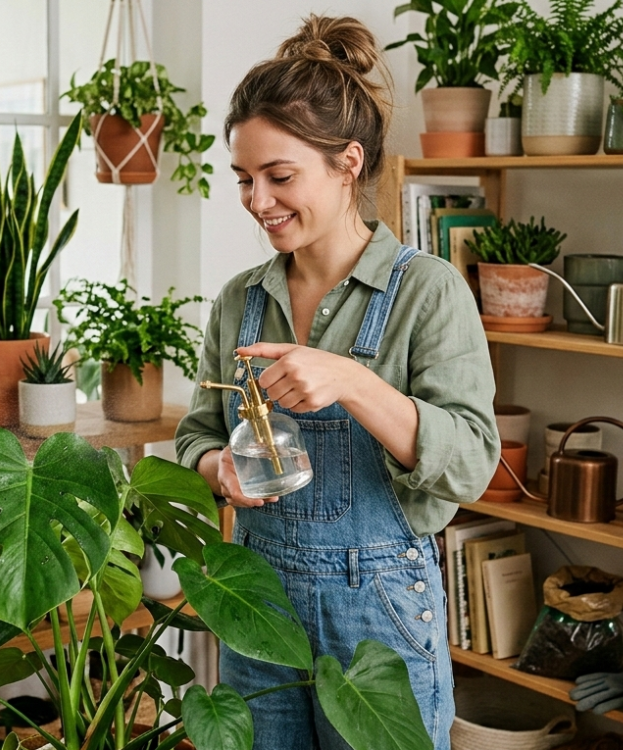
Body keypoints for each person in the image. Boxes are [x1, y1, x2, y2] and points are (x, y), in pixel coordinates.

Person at [174, 14, 499, 750]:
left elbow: (475, 459)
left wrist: (352, 380)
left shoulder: (430, 292)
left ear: (348, 163)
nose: (259, 202)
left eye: (279, 177)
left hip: (379, 604)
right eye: (245, 181)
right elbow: (196, 429)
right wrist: (215, 467)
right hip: (257, 598)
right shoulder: (240, 300)